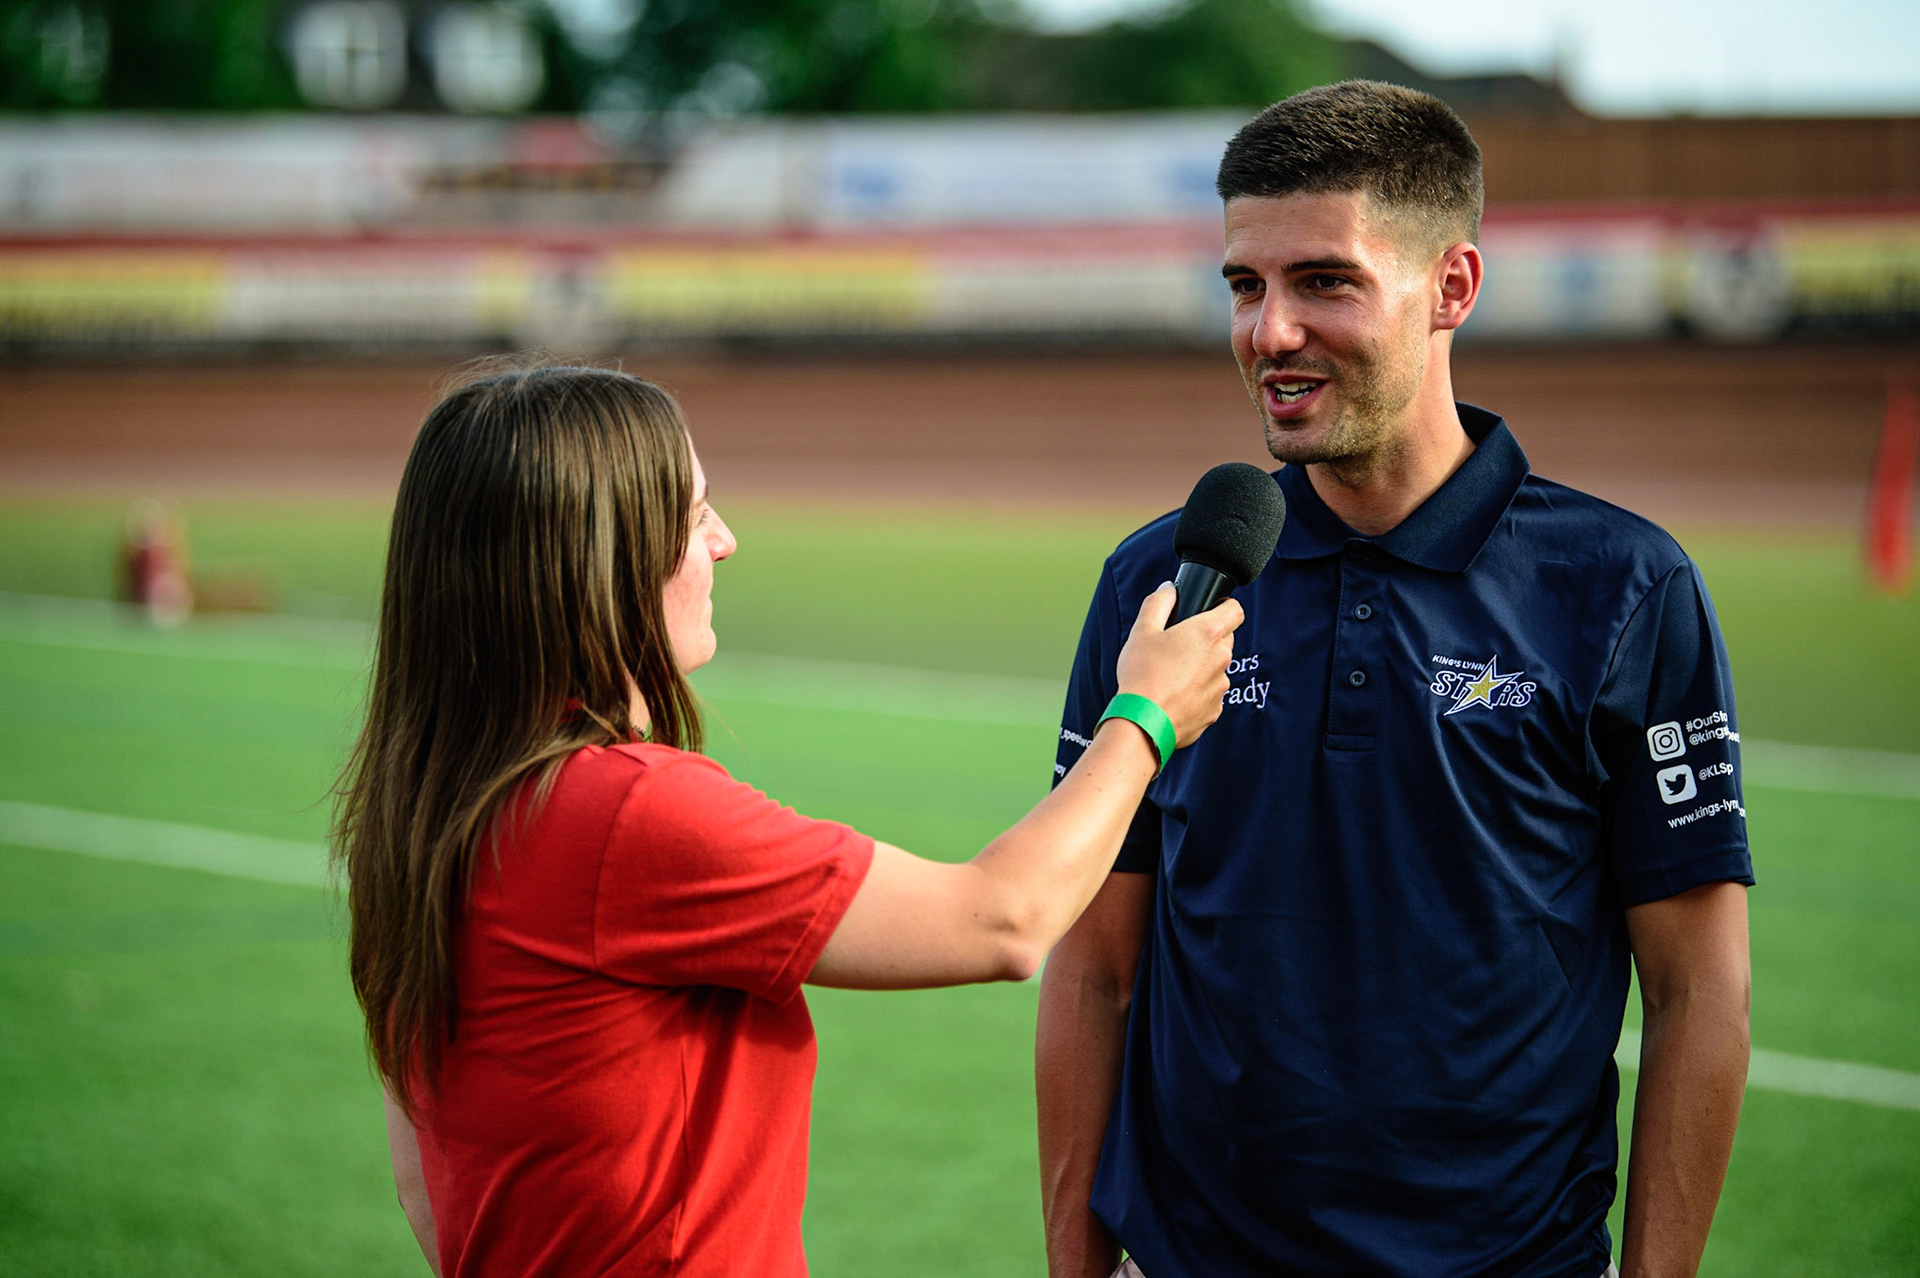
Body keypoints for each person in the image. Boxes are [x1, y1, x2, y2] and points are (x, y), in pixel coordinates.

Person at [1037, 81, 1753, 1278]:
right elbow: (1094, 967)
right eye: (1245, 285)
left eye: (1325, 281)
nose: (1270, 332)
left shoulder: (1624, 587)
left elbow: (1699, 995)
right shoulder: (1162, 582)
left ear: (1452, 288)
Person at [332, 363, 1243, 1278]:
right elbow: (1001, 920)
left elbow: (428, 1192)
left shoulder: (429, 815)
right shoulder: (622, 814)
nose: (724, 541)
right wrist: (1146, 715)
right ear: (595, 557)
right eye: (691, 516)